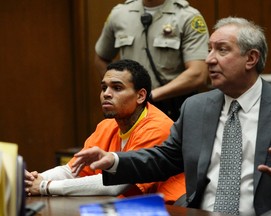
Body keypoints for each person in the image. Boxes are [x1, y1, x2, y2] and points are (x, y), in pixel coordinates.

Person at [72, 17, 271, 216]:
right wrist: (114, 160)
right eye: (209, 50)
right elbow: (165, 159)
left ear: (251, 58)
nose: (210, 59)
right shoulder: (196, 107)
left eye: (222, 50)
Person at [25, 59, 185, 203]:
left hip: (168, 209)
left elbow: (116, 185)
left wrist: (45, 186)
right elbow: (73, 170)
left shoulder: (158, 127)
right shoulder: (107, 126)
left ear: (141, 96)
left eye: (117, 88)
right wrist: (35, 179)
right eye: (103, 88)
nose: (106, 94)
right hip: (128, 207)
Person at [94, 0, 209, 121]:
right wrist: (117, 88)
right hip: (131, 106)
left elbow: (198, 73)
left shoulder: (187, 16)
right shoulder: (120, 14)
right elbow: (101, 58)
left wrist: (152, 96)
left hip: (172, 106)